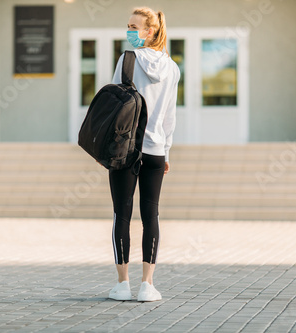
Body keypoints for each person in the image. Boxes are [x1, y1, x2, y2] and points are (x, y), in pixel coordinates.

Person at [108, 6, 180, 302]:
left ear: (149, 31)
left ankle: (123, 284)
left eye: (134, 26)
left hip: (125, 151)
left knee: (121, 215)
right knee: (151, 215)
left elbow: (113, 103)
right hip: (155, 151)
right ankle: (147, 285)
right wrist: (166, 150)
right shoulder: (173, 68)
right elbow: (169, 117)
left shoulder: (128, 60)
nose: (129, 31)